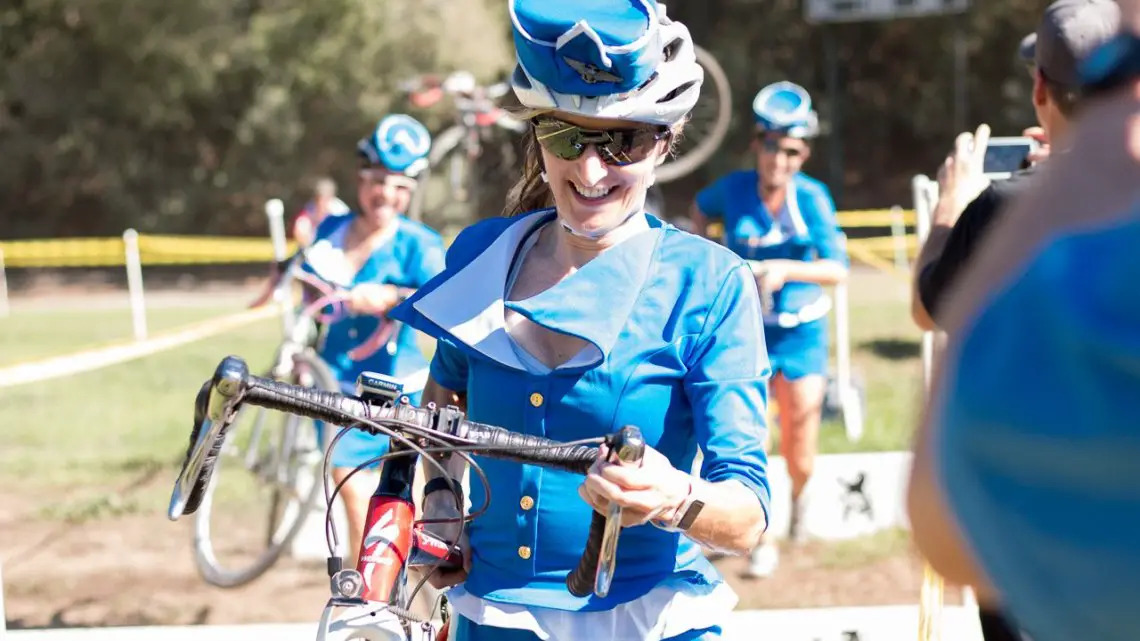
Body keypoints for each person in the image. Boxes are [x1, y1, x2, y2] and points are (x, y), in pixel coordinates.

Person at [388, 2, 771, 639]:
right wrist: (441, 500)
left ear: (664, 141)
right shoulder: (484, 252)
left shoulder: (710, 282)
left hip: (648, 622)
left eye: (621, 140)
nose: (590, 171)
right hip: (490, 619)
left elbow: (749, 515)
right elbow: (442, 399)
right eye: (566, 137)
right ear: (538, 138)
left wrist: (674, 496)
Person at [906, 2, 1140, 640]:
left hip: (1032, 579)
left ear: (1040, 89)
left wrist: (954, 211)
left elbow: (930, 308)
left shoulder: (1006, 206)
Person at [689, 81, 848, 578]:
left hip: (801, 336)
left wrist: (782, 268)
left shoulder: (814, 199)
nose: (779, 160)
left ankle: (799, 498)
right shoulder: (732, 190)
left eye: (792, 151)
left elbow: (837, 269)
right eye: (771, 147)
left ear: (803, 155)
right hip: (746, 336)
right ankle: (760, 534)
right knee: (745, 435)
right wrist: (705, 254)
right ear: (756, 145)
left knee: (799, 443)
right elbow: (700, 210)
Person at [302, 113, 445, 571]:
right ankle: (371, 592)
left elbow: (442, 309)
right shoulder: (332, 230)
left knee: (399, 508)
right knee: (350, 493)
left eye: (400, 186)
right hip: (331, 385)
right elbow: (304, 279)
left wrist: (392, 299)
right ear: (361, 180)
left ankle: (387, 593)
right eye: (378, 181)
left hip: (395, 392)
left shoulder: (419, 244)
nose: (386, 194)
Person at [293, 177, 351, 248]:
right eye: (318, 198)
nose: (321, 202)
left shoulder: (340, 210)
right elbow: (300, 231)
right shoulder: (309, 209)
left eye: (325, 198)